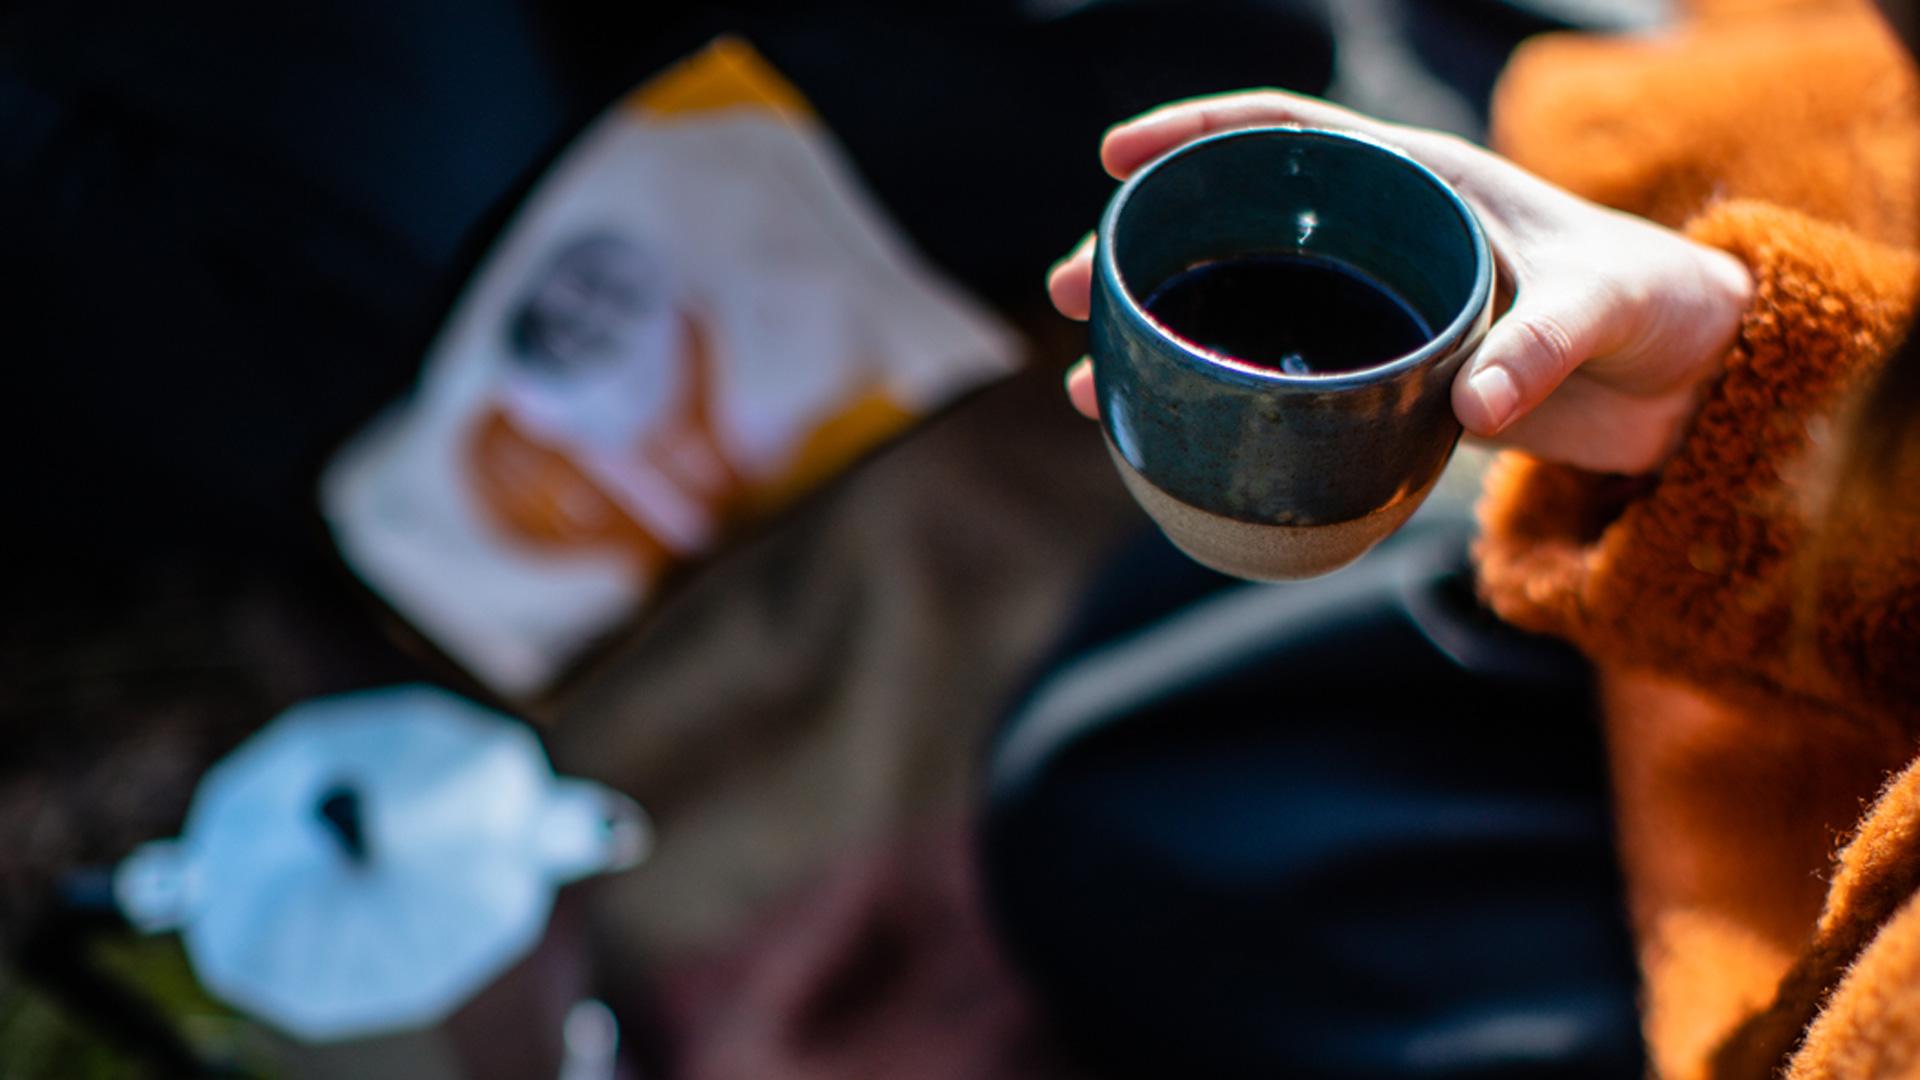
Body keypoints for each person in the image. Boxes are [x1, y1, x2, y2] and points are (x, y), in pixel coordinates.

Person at [985, 0, 1920, 1076]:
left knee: (1119, 821)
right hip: (1843, 608)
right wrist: (1753, 383)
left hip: (1795, 926)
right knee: (1115, 735)